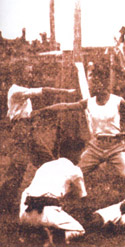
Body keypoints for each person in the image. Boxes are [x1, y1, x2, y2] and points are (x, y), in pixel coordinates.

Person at [32, 62, 125, 195]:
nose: (91, 86)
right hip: (95, 148)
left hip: (115, 148)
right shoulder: (89, 102)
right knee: (76, 173)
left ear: (102, 84)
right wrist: (44, 110)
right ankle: (64, 197)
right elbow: (66, 106)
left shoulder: (117, 101)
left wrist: (124, 132)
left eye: (93, 83)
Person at [0, 67, 77, 214]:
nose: (30, 74)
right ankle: (4, 202)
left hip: (27, 128)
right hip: (20, 130)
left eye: (30, 71)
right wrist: (65, 92)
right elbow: (43, 90)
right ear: (18, 73)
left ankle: (52, 194)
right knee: (18, 168)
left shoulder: (21, 91)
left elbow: (29, 112)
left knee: (46, 161)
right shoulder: (16, 90)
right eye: (27, 72)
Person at [19, 158, 87, 246]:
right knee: (79, 230)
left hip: (25, 211)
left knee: (29, 196)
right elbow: (83, 196)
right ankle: (57, 238)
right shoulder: (75, 170)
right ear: (78, 154)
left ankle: (30, 231)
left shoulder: (46, 165)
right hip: (47, 212)